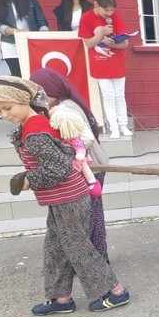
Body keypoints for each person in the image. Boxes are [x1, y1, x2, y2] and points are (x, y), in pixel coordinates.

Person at [0, 76, 128, 314]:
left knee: (77, 247)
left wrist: (28, 180)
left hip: (68, 197)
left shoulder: (35, 131)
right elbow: (66, 152)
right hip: (65, 197)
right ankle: (61, 299)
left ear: (23, 100)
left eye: (8, 107)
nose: (5, 115)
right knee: (56, 246)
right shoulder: (38, 120)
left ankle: (115, 292)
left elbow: (59, 168)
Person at [30, 67, 111, 263]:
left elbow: (87, 139)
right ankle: (97, 259)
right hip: (88, 166)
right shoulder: (60, 105)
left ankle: (95, 260)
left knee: (90, 216)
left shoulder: (67, 108)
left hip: (91, 167)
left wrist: (65, 151)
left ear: (53, 89)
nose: (38, 99)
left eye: (42, 94)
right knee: (90, 215)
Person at [78, 0, 132, 139]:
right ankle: (113, 127)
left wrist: (113, 43)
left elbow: (125, 43)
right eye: (106, 10)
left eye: (112, 10)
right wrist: (101, 33)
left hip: (117, 62)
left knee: (119, 95)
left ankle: (123, 125)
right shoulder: (86, 18)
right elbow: (88, 44)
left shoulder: (116, 17)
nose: (109, 14)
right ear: (96, 4)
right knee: (108, 96)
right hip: (100, 63)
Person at [0, 0, 49, 77]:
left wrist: (42, 36)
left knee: (36, 75)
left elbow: (41, 19)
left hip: (32, 42)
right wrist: (14, 31)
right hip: (10, 44)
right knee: (18, 78)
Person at [49, 103, 103, 197]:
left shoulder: (72, 136)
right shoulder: (56, 133)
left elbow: (85, 141)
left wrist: (79, 153)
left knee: (83, 165)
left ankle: (92, 182)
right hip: (68, 162)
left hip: (76, 159)